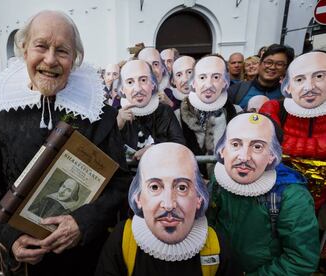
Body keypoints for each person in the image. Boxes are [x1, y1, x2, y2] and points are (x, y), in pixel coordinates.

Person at [0, 10, 131, 276]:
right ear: (24, 49)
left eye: (62, 50)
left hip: (86, 258)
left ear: (75, 59)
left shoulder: (99, 115)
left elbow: (120, 183)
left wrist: (82, 223)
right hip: (26, 262)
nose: (50, 59)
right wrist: (11, 238)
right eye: (41, 46)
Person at [96, 143, 241, 276]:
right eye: (155, 187)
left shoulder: (216, 247)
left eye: (182, 187)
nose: (169, 204)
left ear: (199, 198)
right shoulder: (122, 241)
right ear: (138, 198)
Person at [208, 113, 319, 275]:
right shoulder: (219, 179)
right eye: (236, 144)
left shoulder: (292, 196)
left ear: (272, 155)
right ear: (223, 150)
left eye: (258, 147)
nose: (244, 157)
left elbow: (301, 260)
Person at [260, 50, 326, 211]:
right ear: (288, 86)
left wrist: (286, 144)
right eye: (299, 79)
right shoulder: (274, 108)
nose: (309, 87)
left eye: (319, 76)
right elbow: (265, 143)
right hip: (278, 201)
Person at [175, 55, 239, 177]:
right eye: (202, 77)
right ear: (193, 82)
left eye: (216, 77)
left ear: (225, 82)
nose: (208, 85)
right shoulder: (177, 116)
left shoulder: (236, 113)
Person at [117, 59, 184, 166]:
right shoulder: (116, 114)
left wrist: (155, 149)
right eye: (130, 82)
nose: (138, 88)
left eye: (143, 80)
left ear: (153, 84)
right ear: (122, 89)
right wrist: (117, 126)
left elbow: (180, 145)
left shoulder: (164, 111)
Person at [229, 44, 294, 109]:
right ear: (260, 63)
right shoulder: (236, 90)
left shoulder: (289, 95)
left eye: (279, 64)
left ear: (286, 68)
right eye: (268, 62)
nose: (272, 67)